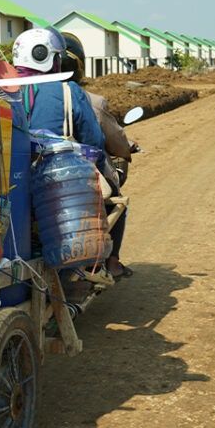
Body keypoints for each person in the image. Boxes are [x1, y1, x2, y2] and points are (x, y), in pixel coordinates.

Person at [59, 31, 134, 279]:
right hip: (78, 176)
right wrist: (126, 150)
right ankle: (112, 262)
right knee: (118, 201)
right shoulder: (90, 100)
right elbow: (101, 142)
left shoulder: (24, 94)